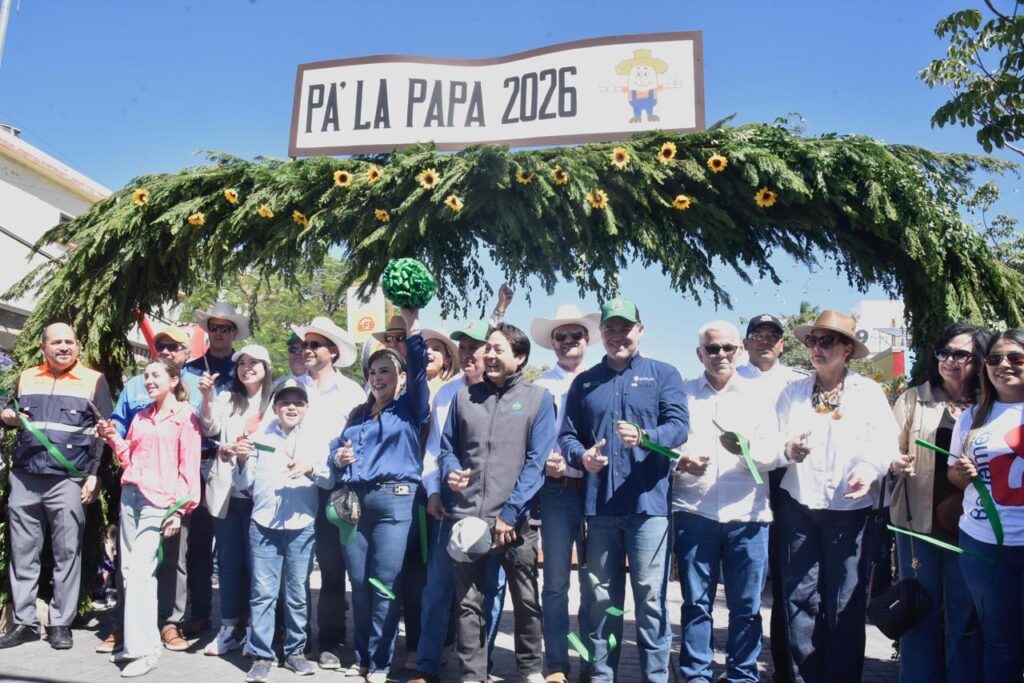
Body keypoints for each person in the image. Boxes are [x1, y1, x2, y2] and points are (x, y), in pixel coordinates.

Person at [559, 297, 688, 683]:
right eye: (610, 329)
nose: (617, 335)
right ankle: (599, 676)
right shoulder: (584, 382)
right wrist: (583, 458)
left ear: (640, 331)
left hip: (649, 509)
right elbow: (566, 435)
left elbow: (679, 426)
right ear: (601, 334)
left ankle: (655, 677)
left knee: (651, 601)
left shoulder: (664, 374)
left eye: (625, 328)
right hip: (598, 510)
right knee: (600, 601)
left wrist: (647, 438)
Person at [776, 310, 898, 683]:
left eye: (826, 341)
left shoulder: (867, 392)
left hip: (850, 509)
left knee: (844, 603)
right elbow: (774, 439)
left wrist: (867, 470)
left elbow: (884, 443)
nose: (816, 347)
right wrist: (788, 449)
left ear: (847, 349)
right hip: (799, 504)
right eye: (812, 340)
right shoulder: (793, 391)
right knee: (799, 600)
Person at [438, 322, 554, 683]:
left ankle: (530, 669)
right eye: (487, 347)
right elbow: (447, 450)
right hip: (468, 518)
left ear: (519, 357)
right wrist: (452, 472)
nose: (488, 354)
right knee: (469, 604)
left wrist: (510, 512)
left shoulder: (538, 399)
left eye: (498, 349)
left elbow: (536, 463)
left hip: (515, 524)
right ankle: (473, 674)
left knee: (525, 601)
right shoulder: (463, 397)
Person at [673, 321, 782, 683]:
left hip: (747, 513)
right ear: (699, 353)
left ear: (740, 350)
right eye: (713, 348)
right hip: (694, 510)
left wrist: (747, 450)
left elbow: (775, 453)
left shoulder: (758, 396)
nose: (721, 355)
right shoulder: (684, 394)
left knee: (747, 607)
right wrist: (681, 459)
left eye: (728, 348)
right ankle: (696, 675)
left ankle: (742, 675)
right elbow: (669, 443)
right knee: (696, 604)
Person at [328, 306, 429, 682]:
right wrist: (337, 457)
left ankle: (381, 661)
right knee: (360, 582)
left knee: (385, 582)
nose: (377, 377)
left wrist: (412, 326)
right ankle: (362, 656)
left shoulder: (410, 410)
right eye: (372, 372)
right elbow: (334, 455)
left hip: (395, 499)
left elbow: (419, 371)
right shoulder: (357, 414)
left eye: (385, 370)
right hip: (354, 503)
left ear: (401, 377)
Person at [0, 322, 112, 652]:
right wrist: (5, 415)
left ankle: (61, 623)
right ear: (43, 347)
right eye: (56, 342)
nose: (63, 347)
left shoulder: (94, 380)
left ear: (77, 345)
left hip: (68, 480)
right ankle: (24, 622)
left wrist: (95, 474)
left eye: (69, 342)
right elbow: (9, 411)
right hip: (25, 477)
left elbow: (105, 432)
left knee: (67, 553)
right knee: (22, 553)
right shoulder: (26, 377)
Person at [409, 319, 509, 683]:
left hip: (495, 505)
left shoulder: (508, 394)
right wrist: (434, 490)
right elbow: (434, 450)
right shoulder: (446, 394)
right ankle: (427, 665)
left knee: (490, 591)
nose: (467, 354)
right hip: (449, 502)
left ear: (492, 352)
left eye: (475, 347)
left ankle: (481, 668)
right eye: (462, 347)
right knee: (437, 586)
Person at [888, 323, 988, 683]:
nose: (949, 360)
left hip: (974, 527)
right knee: (919, 611)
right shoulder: (914, 398)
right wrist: (896, 461)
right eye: (944, 352)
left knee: (966, 615)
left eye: (960, 353)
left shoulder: (989, 403)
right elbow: (887, 448)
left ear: (978, 360)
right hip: (919, 523)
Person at [101, 326, 202, 653]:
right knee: (131, 570)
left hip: (166, 499)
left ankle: (163, 628)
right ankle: (127, 628)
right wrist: (112, 436)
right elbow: (131, 451)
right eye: (162, 346)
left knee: (165, 564)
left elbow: (189, 464)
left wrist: (181, 508)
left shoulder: (189, 408)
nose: (148, 381)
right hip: (133, 495)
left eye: (175, 346)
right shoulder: (141, 412)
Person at [241, 379, 333, 683]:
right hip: (263, 524)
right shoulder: (259, 436)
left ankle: (295, 651)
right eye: (284, 402)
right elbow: (244, 485)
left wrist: (312, 469)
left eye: (297, 402)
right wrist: (239, 459)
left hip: (302, 526)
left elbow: (329, 480)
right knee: (263, 594)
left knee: (297, 592)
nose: (291, 407)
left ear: (306, 408)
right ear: (275, 407)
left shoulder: (318, 440)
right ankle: (261, 655)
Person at [288, 315, 366, 670]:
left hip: (339, 491)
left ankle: (345, 641)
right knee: (301, 569)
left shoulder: (352, 393)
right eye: (304, 344)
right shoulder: (289, 386)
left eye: (314, 344)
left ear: (333, 352)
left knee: (343, 569)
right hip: (295, 491)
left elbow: (362, 441)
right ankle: (303, 639)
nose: (306, 350)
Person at [529, 304, 600, 683]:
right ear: (552, 343)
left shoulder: (605, 380)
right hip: (557, 491)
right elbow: (530, 440)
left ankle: (592, 662)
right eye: (561, 336)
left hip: (599, 492)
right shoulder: (539, 387)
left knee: (595, 583)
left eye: (576, 336)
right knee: (555, 582)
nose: (568, 342)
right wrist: (544, 463)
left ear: (587, 340)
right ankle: (556, 663)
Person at [949, 329, 1024, 683]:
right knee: (1001, 645)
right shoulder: (972, 417)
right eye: (994, 359)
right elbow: (954, 476)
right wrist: (963, 474)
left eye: (1015, 357)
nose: (1003, 365)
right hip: (983, 545)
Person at [738, 313, 806, 683]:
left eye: (772, 335)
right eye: (757, 334)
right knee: (746, 584)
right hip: (742, 484)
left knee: (787, 582)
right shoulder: (730, 378)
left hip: (787, 484)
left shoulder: (797, 381)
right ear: (746, 342)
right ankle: (741, 665)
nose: (765, 340)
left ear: (782, 343)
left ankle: (784, 667)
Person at [199, 344, 275, 656]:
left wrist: (254, 452)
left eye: (253, 362)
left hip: (263, 495)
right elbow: (210, 427)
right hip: (229, 493)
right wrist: (206, 397)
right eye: (241, 363)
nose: (246, 368)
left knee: (258, 567)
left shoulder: (276, 400)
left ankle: (258, 630)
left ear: (266, 366)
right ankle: (229, 627)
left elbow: (283, 442)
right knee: (228, 564)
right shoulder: (229, 398)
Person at [182, 301, 251, 637]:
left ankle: (242, 616)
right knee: (198, 542)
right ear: (207, 330)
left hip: (234, 465)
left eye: (226, 328)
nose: (219, 333)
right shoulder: (189, 369)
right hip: (197, 463)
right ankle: (200, 613)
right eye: (214, 327)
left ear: (234, 333)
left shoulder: (245, 369)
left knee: (237, 545)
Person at [422, 329, 459, 397]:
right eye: (425, 347)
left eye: (436, 349)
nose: (428, 351)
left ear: (447, 361)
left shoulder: (452, 389)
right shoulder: (410, 384)